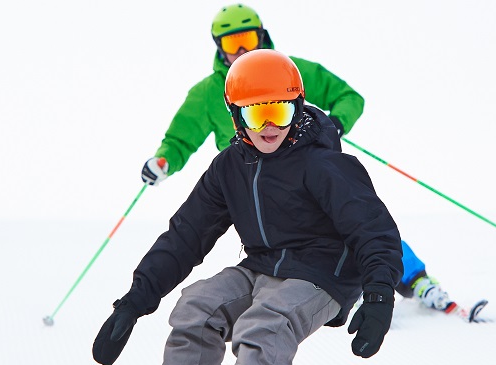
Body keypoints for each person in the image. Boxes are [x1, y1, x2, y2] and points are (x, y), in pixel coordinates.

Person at [93, 49, 404, 365]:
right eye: (258, 116)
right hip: (261, 267)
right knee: (197, 305)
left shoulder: (325, 165)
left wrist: (379, 293)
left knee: (266, 322)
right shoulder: (229, 168)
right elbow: (186, 235)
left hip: (323, 274)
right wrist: (134, 302)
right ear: (237, 118)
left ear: (297, 107)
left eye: (281, 112)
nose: (271, 126)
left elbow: (374, 229)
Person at [139, 3, 454, 313]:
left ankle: (414, 279)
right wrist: (164, 161)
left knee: (355, 220)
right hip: (255, 184)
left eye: (247, 39)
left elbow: (348, 97)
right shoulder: (208, 93)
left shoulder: (288, 70)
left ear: (262, 36)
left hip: (305, 171)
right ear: (218, 48)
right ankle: (336, 289)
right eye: (231, 43)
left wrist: (338, 122)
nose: (241, 50)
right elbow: (181, 138)